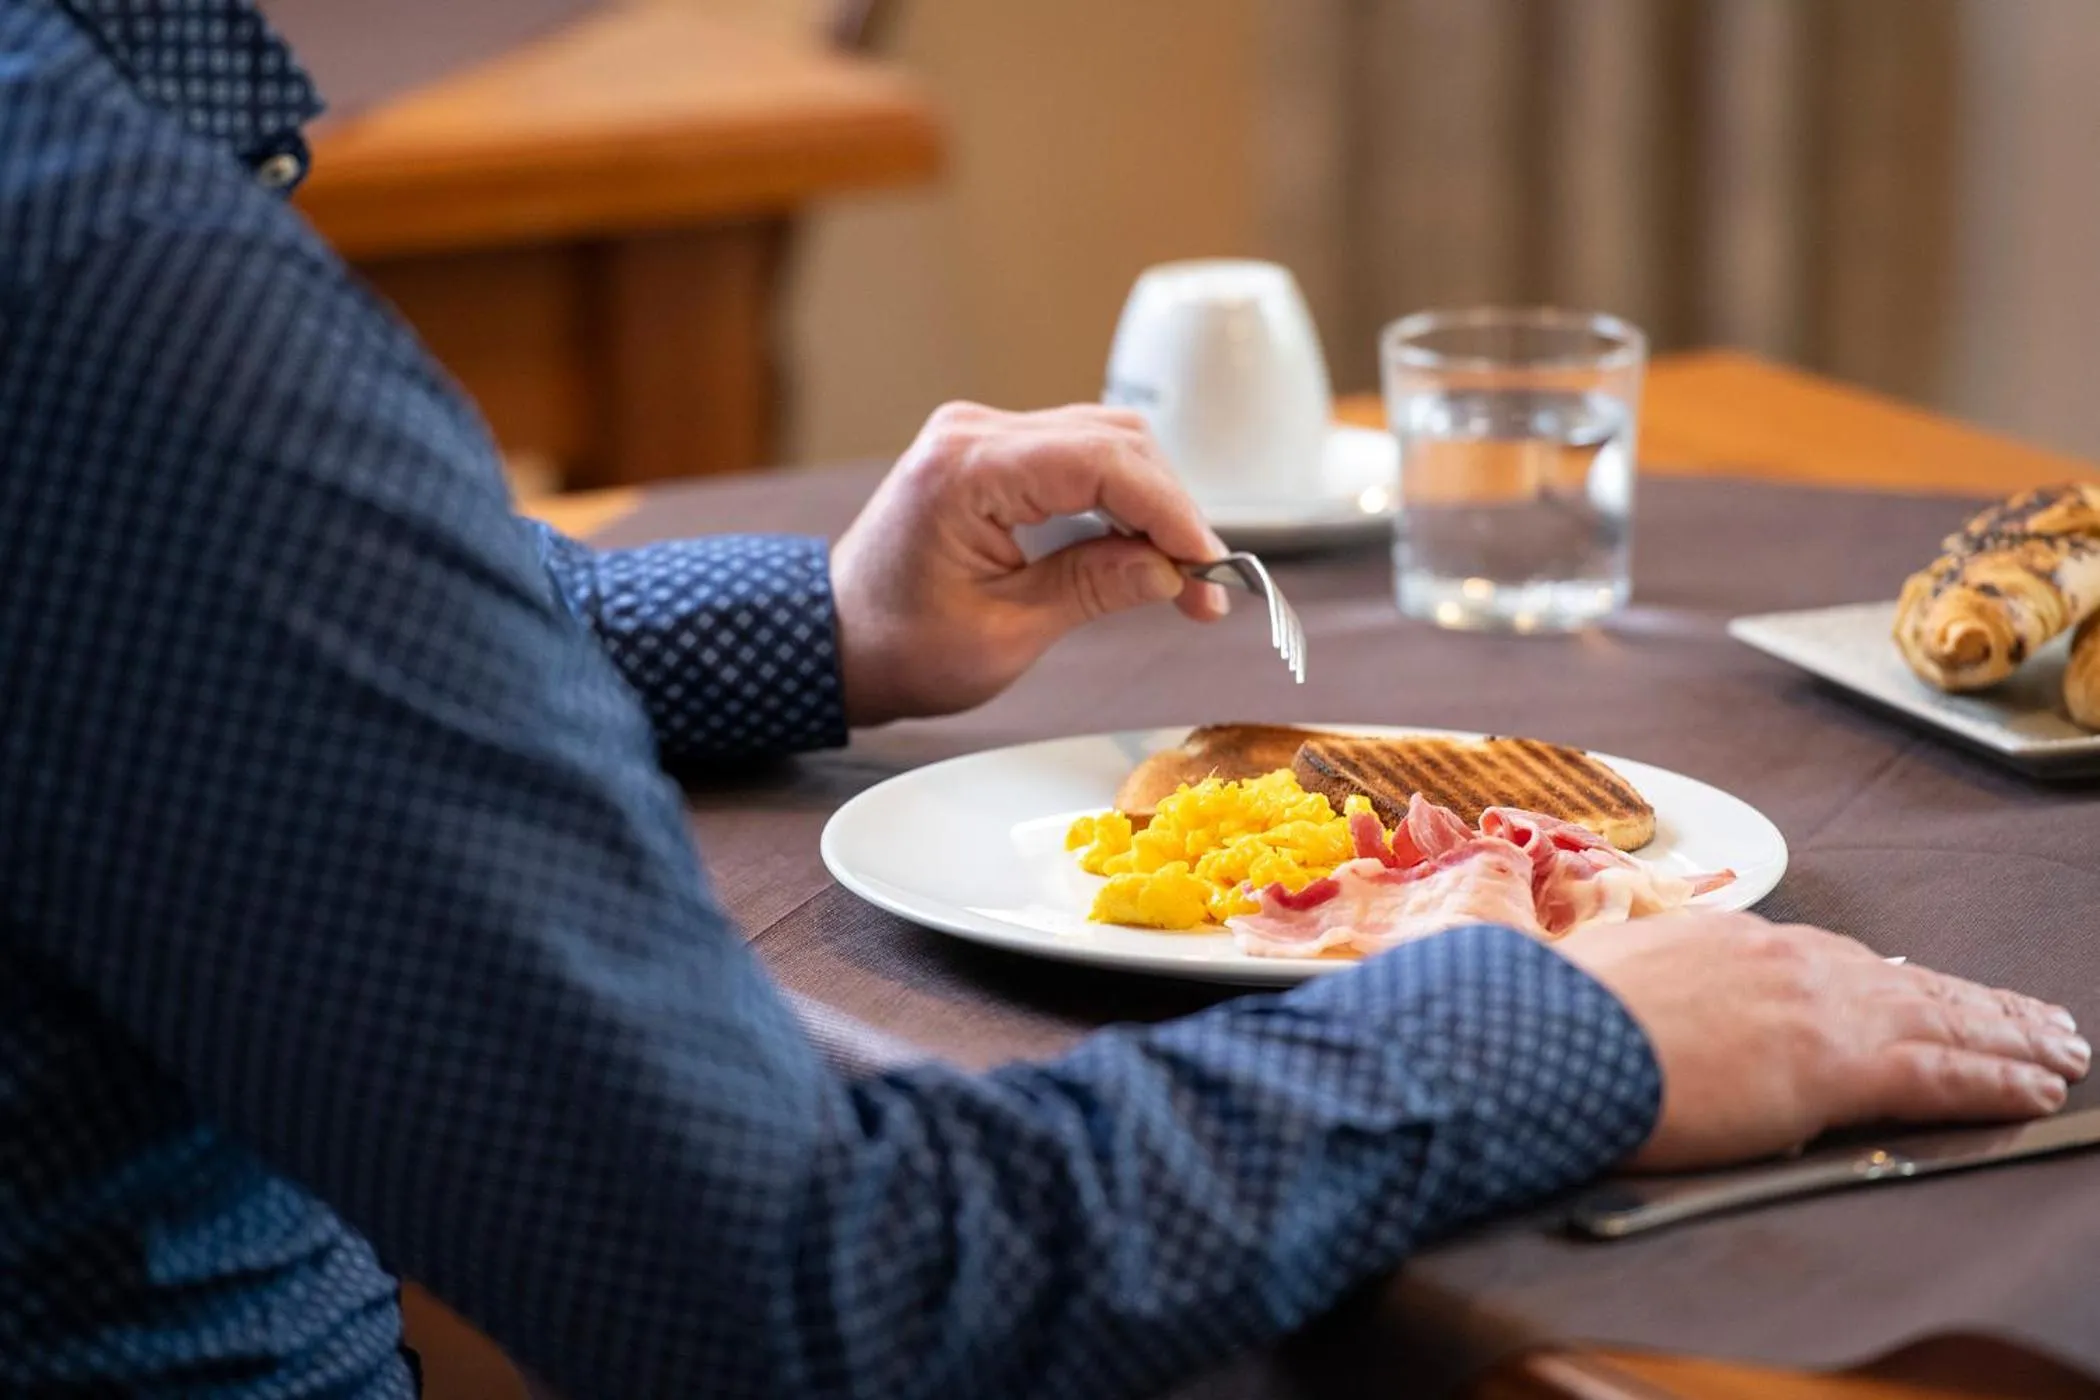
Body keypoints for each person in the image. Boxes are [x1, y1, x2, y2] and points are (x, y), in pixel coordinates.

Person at [0, 3, 2086, 1397]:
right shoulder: (104, 297)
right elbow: (806, 1281)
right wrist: (1560, 1032)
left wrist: (824, 621)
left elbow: (174, 641)